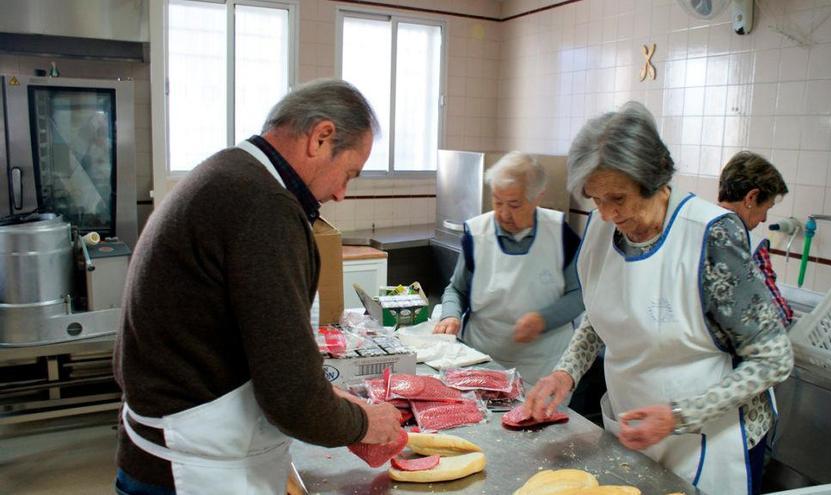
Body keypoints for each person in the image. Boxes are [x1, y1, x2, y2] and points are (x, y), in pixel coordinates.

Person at [113, 80, 403, 495]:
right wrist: (363, 422)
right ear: (321, 137)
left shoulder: (227, 172)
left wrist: (331, 398)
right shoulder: (264, 205)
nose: (341, 193)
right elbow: (292, 401)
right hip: (194, 473)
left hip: (162, 448)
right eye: (349, 173)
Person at [524, 102, 794, 495]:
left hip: (710, 440)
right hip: (631, 429)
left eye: (618, 198)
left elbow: (774, 359)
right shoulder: (603, 231)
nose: (607, 214)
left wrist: (680, 416)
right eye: (595, 199)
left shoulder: (710, 236)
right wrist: (565, 372)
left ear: (654, 180)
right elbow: (601, 318)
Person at [433, 151, 584, 385]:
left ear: (537, 198)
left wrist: (544, 319)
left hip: (543, 367)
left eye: (514, 205)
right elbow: (456, 289)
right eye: (497, 201)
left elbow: (580, 294)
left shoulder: (559, 234)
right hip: (482, 360)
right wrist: (450, 315)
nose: (503, 214)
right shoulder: (477, 234)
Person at [719, 151, 794, 326]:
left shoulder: (691, 223)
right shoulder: (749, 243)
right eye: (766, 208)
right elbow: (776, 317)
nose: (764, 219)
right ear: (751, 198)